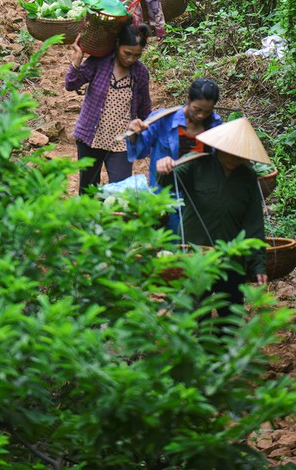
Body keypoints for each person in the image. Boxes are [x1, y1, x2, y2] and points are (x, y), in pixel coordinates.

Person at [155, 116, 269, 316]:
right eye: (232, 152)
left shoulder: (248, 177)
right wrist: (164, 166)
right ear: (221, 147)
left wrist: (258, 264)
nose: (236, 158)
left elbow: (254, 223)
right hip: (195, 254)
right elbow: (168, 180)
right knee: (194, 312)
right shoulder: (196, 162)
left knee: (230, 315)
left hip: (230, 258)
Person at [65, 23, 152, 194]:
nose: (130, 59)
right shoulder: (100, 63)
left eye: (137, 55)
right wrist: (78, 58)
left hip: (121, 141)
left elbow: (144, 107)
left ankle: (113, 221)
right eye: (127, 53)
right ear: (118, 44)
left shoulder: (140, 72)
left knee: (122, 192)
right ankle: (88, 220)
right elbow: (71, 84)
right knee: (88, 190)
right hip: (91, 137)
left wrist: (144, 132)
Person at [125, 78, 222, 189]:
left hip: (198, 194)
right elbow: (139, 152)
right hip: (164, 193)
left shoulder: (215, 125)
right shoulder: (163, 119)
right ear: (188, 100)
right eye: (197, 109)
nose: (201, 115)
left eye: (207, 111)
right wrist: (134, 134)